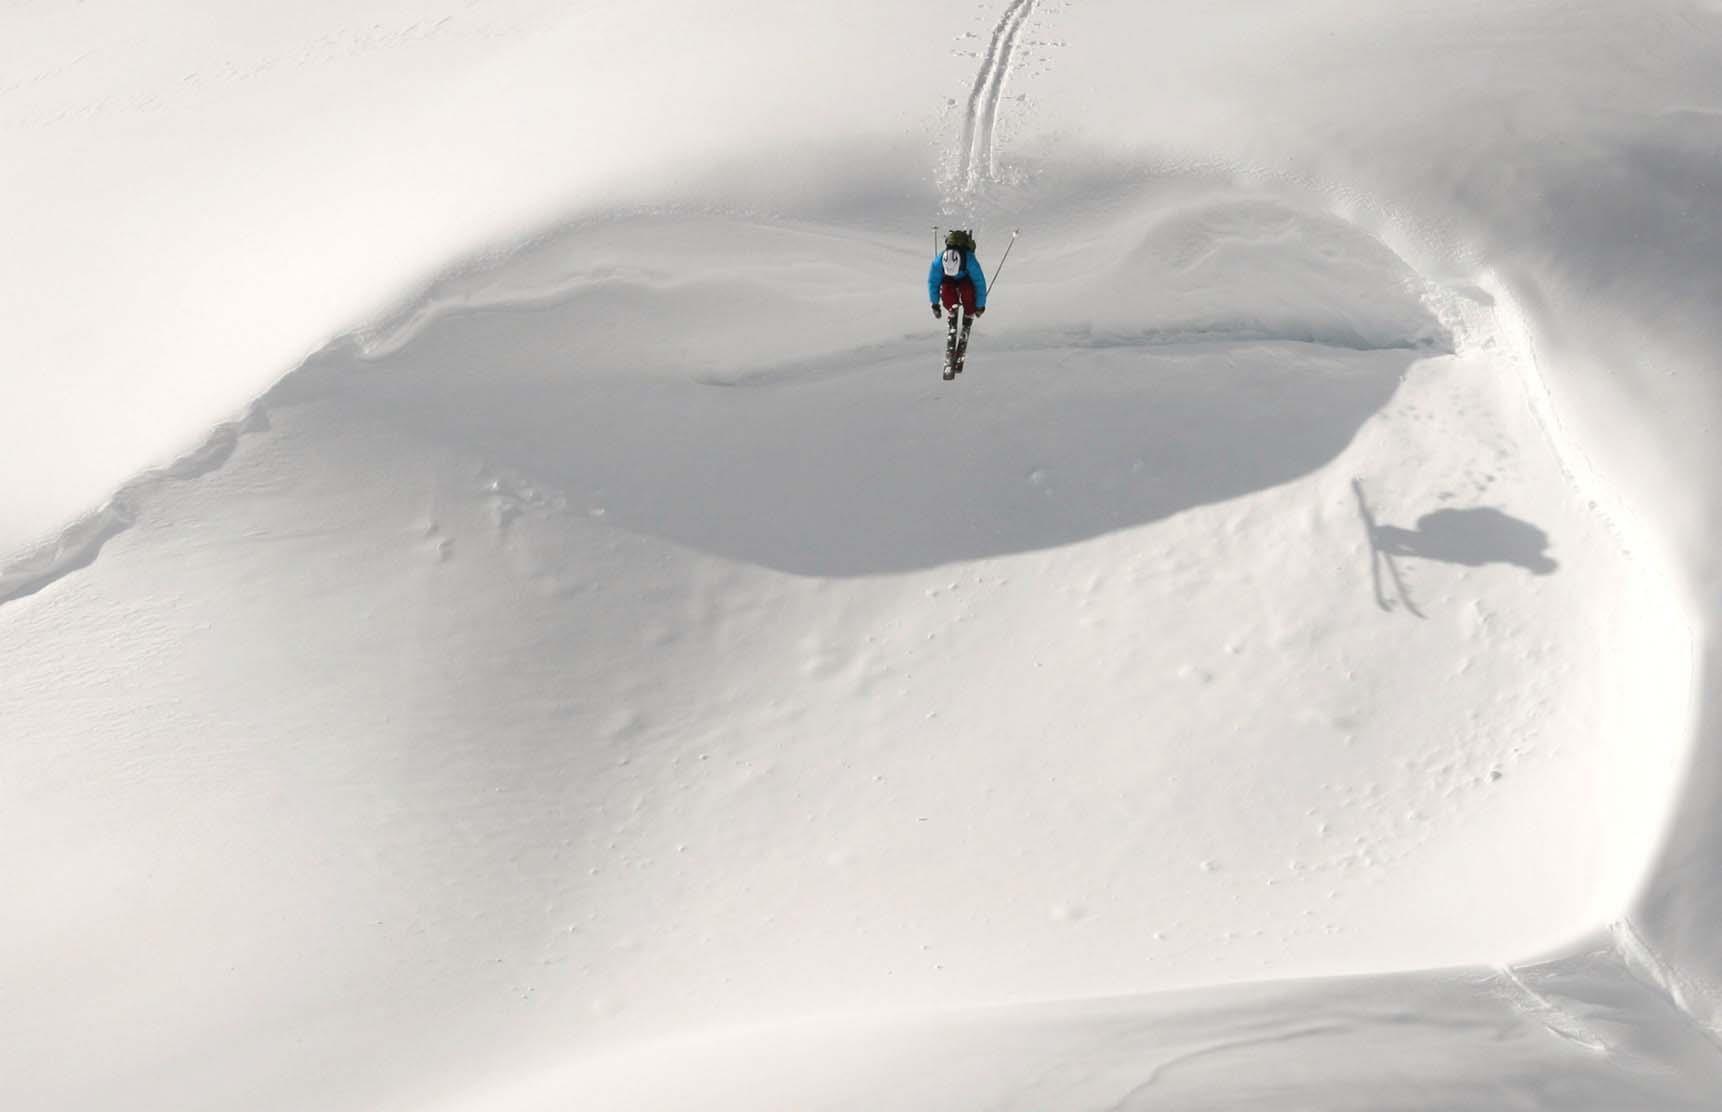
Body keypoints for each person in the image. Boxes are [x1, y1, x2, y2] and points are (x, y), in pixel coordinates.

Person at [928, 229, 987, 377]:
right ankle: (952, 309)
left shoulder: (970, 260)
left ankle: (968, 314)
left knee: (967, 291)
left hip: (965, 277)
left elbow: (979, 283)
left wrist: (979, 306)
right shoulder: (939, 262)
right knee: (947, 291)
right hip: (948, 280)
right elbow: (933, 282)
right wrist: (935, 304)